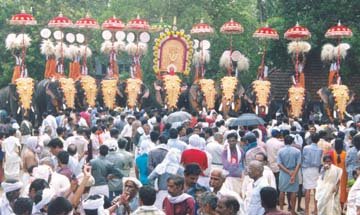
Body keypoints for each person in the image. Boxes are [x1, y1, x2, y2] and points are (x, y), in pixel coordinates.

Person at [277, 135, 301, 215]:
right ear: (292, 142)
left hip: (284, 173)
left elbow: (279, 164)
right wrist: (293, 174)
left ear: (284, 141)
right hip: (294, 171)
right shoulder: (297, 151)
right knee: (294, 192)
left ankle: (281, 209)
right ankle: (293, 210)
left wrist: (287, 172)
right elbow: (299, 164)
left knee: (282, 191)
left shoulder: (280, 151)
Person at [302, 133, 323, 215]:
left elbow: (303, 157)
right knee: (315, 190)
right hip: (316, 170)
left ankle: (306, 210)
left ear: (311, 139)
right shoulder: (320, 149)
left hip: (307, 169)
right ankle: (316, 210)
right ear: (318, 140)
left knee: (307, 189)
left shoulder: (306, 148)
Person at [330, 138, 348, 209]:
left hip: (334, 175)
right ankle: (341, 208)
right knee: (342, 191)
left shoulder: (332, 153)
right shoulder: (345, 154)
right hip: (343, 175)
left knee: (334, 190)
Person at [266, 129, 284, 195]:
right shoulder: (280, 144)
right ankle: (278, 198)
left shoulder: (268, 142)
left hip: (270, 164)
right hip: (277, 165)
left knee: (271, 182)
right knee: (278, 182)